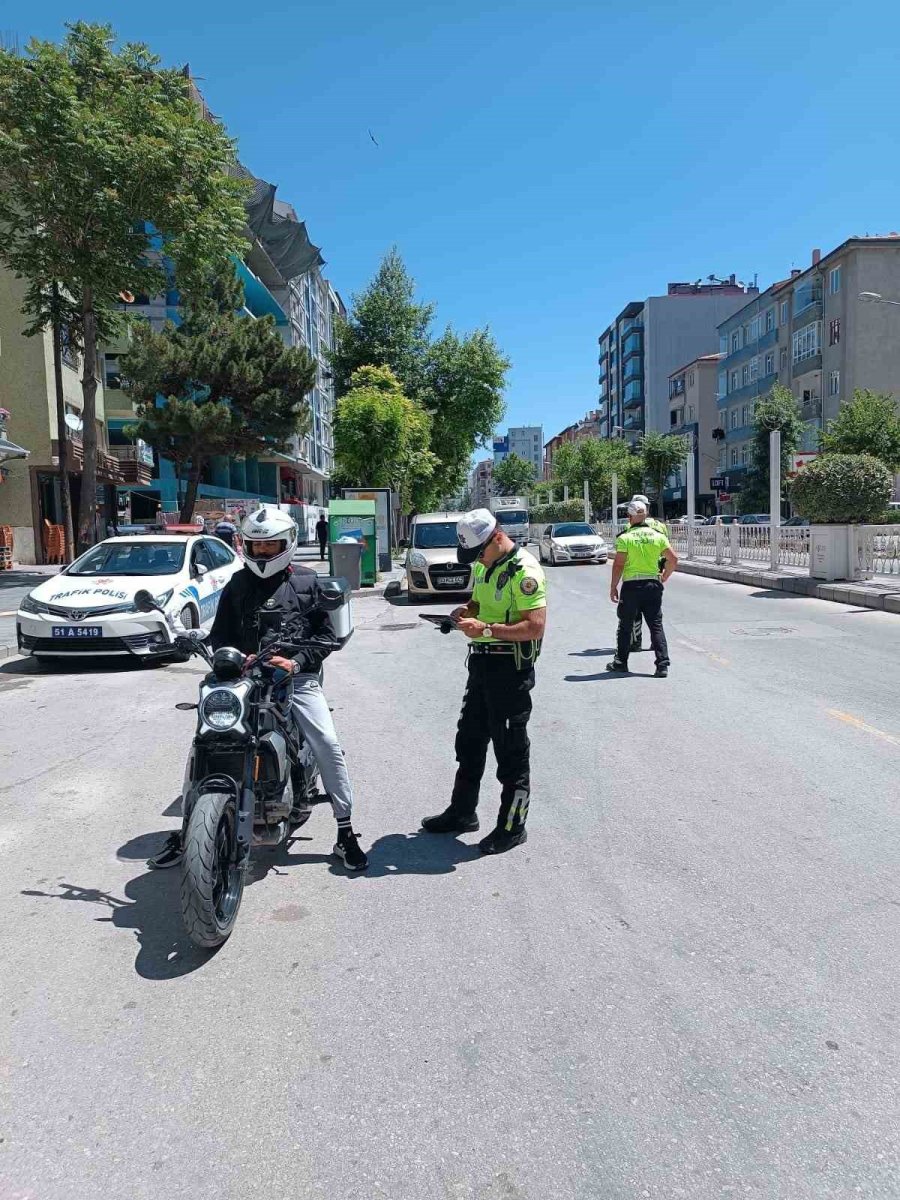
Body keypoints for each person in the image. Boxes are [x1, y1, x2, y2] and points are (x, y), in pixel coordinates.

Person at [149, 506, 368, 872]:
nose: (263, 553)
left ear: (288, 545)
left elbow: (326, 636)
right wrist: (226, 656)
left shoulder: (307, 582)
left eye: (271, 547)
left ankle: (345, 831)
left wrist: (296, 662)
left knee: (326, 742)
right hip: (245, 677)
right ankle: (189, 828)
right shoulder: (237, 584)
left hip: (295, 679)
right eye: (257, 546)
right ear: (245, 546)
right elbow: (220, 633)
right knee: (207, 737)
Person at [421, 509, 547, 855]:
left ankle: (512, 826)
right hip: (481, 665)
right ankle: (463, 813)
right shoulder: (484, 565)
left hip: (510, 671)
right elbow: (479, 601)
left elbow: (535, 626)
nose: (476, 559)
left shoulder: (526, 571)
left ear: (496, 538)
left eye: (479, 551)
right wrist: (466, 612)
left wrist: (487, 630)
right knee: (470, 740)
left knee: (511, 752)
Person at [607, 500, 677, 677]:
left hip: (632, 586)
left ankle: (621, 662)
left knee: (625, 625)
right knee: (656, 625)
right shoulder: (658, 536)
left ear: (629, 517)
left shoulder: (625, 538)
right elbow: (673, 559)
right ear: (645, 515)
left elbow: (619, 564)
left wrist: (613, 586)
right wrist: (665, 576)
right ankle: (662, 665)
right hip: (653, 585)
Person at [625, 493, 668, 653]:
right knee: (655, 613)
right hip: (655, 573)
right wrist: (663, 573)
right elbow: (667, 552)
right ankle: (656, 643)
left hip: (634, 574)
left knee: (635, 612)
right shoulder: (660, 526)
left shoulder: (630, 526)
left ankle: (636, 642)